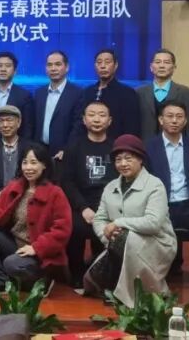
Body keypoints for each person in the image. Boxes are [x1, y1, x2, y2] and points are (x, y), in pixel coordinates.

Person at [0, 143, 71, 293]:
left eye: (33, 162)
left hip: (39, 253)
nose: (28, 168)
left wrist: (36, 248)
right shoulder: (15, 186)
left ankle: (42, 281)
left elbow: (62, 229)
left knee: (11, 264)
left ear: (44, 165)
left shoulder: (55, 193)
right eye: (25, 162)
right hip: (16, 245)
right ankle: (0, 282)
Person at [84, 134, 176, 306]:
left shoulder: (155, 185)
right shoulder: (110, 187)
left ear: (140, 159)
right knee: (119, 243)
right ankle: (117, 285)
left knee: (125, 238)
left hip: (156, 242)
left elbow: (153, 223)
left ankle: (128, 294)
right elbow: (99, 219)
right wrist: (107, 237)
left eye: (128, 158)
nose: (123, 163)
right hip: (120, 241)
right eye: (118, 159)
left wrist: (118, 223)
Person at [143, 101, 189, 274]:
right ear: (160, 120)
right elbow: (144, 179)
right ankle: (167, 266)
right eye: (169, 116)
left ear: (185, 121)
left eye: (179, 117)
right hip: (161, 204)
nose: (174, 120)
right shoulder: (148, 147)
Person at [61, 101, 118, 288]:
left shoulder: (117, 147)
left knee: (110, 229)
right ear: (84, 120)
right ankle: (77, 274)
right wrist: (83, 207)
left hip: (110, 204)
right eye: (91, 115)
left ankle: (100, 273)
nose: (96, 119)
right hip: (81, 204)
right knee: (73, 227)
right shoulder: (74, 147)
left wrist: (105, 209)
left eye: (102, 115)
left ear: (109, 121)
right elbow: (67, 181)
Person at [136, 49, 189, 139]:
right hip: (144, 144)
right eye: (158, 62)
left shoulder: (187, 93)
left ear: (174, 67)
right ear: (151, 67)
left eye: (166, 62)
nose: (161, 66)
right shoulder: (139, 93)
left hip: (176, 144)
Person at [80, 49, 141, 139]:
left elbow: (131, 128)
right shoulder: (87, 92)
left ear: (115, 65)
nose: (103, 66)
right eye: (99, 62)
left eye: (107, 62)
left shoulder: (127, 93)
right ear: (95, 66)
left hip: (116, 144)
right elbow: (80, 123)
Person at [33, 50, 84, 158]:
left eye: (58, 64)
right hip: (39, 150)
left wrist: (68, 149)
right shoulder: (39, 93)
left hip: (63, 153)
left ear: (67, 67)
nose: (53, 68)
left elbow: (78, 126)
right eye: (49, 65)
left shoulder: (77, 93)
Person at [0, 51, 34, 141]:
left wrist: (24, 147)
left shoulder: (25, 96)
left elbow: (28, 127)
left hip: (16, 145)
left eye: (8, 66)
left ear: (15, 71)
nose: (3, 69)